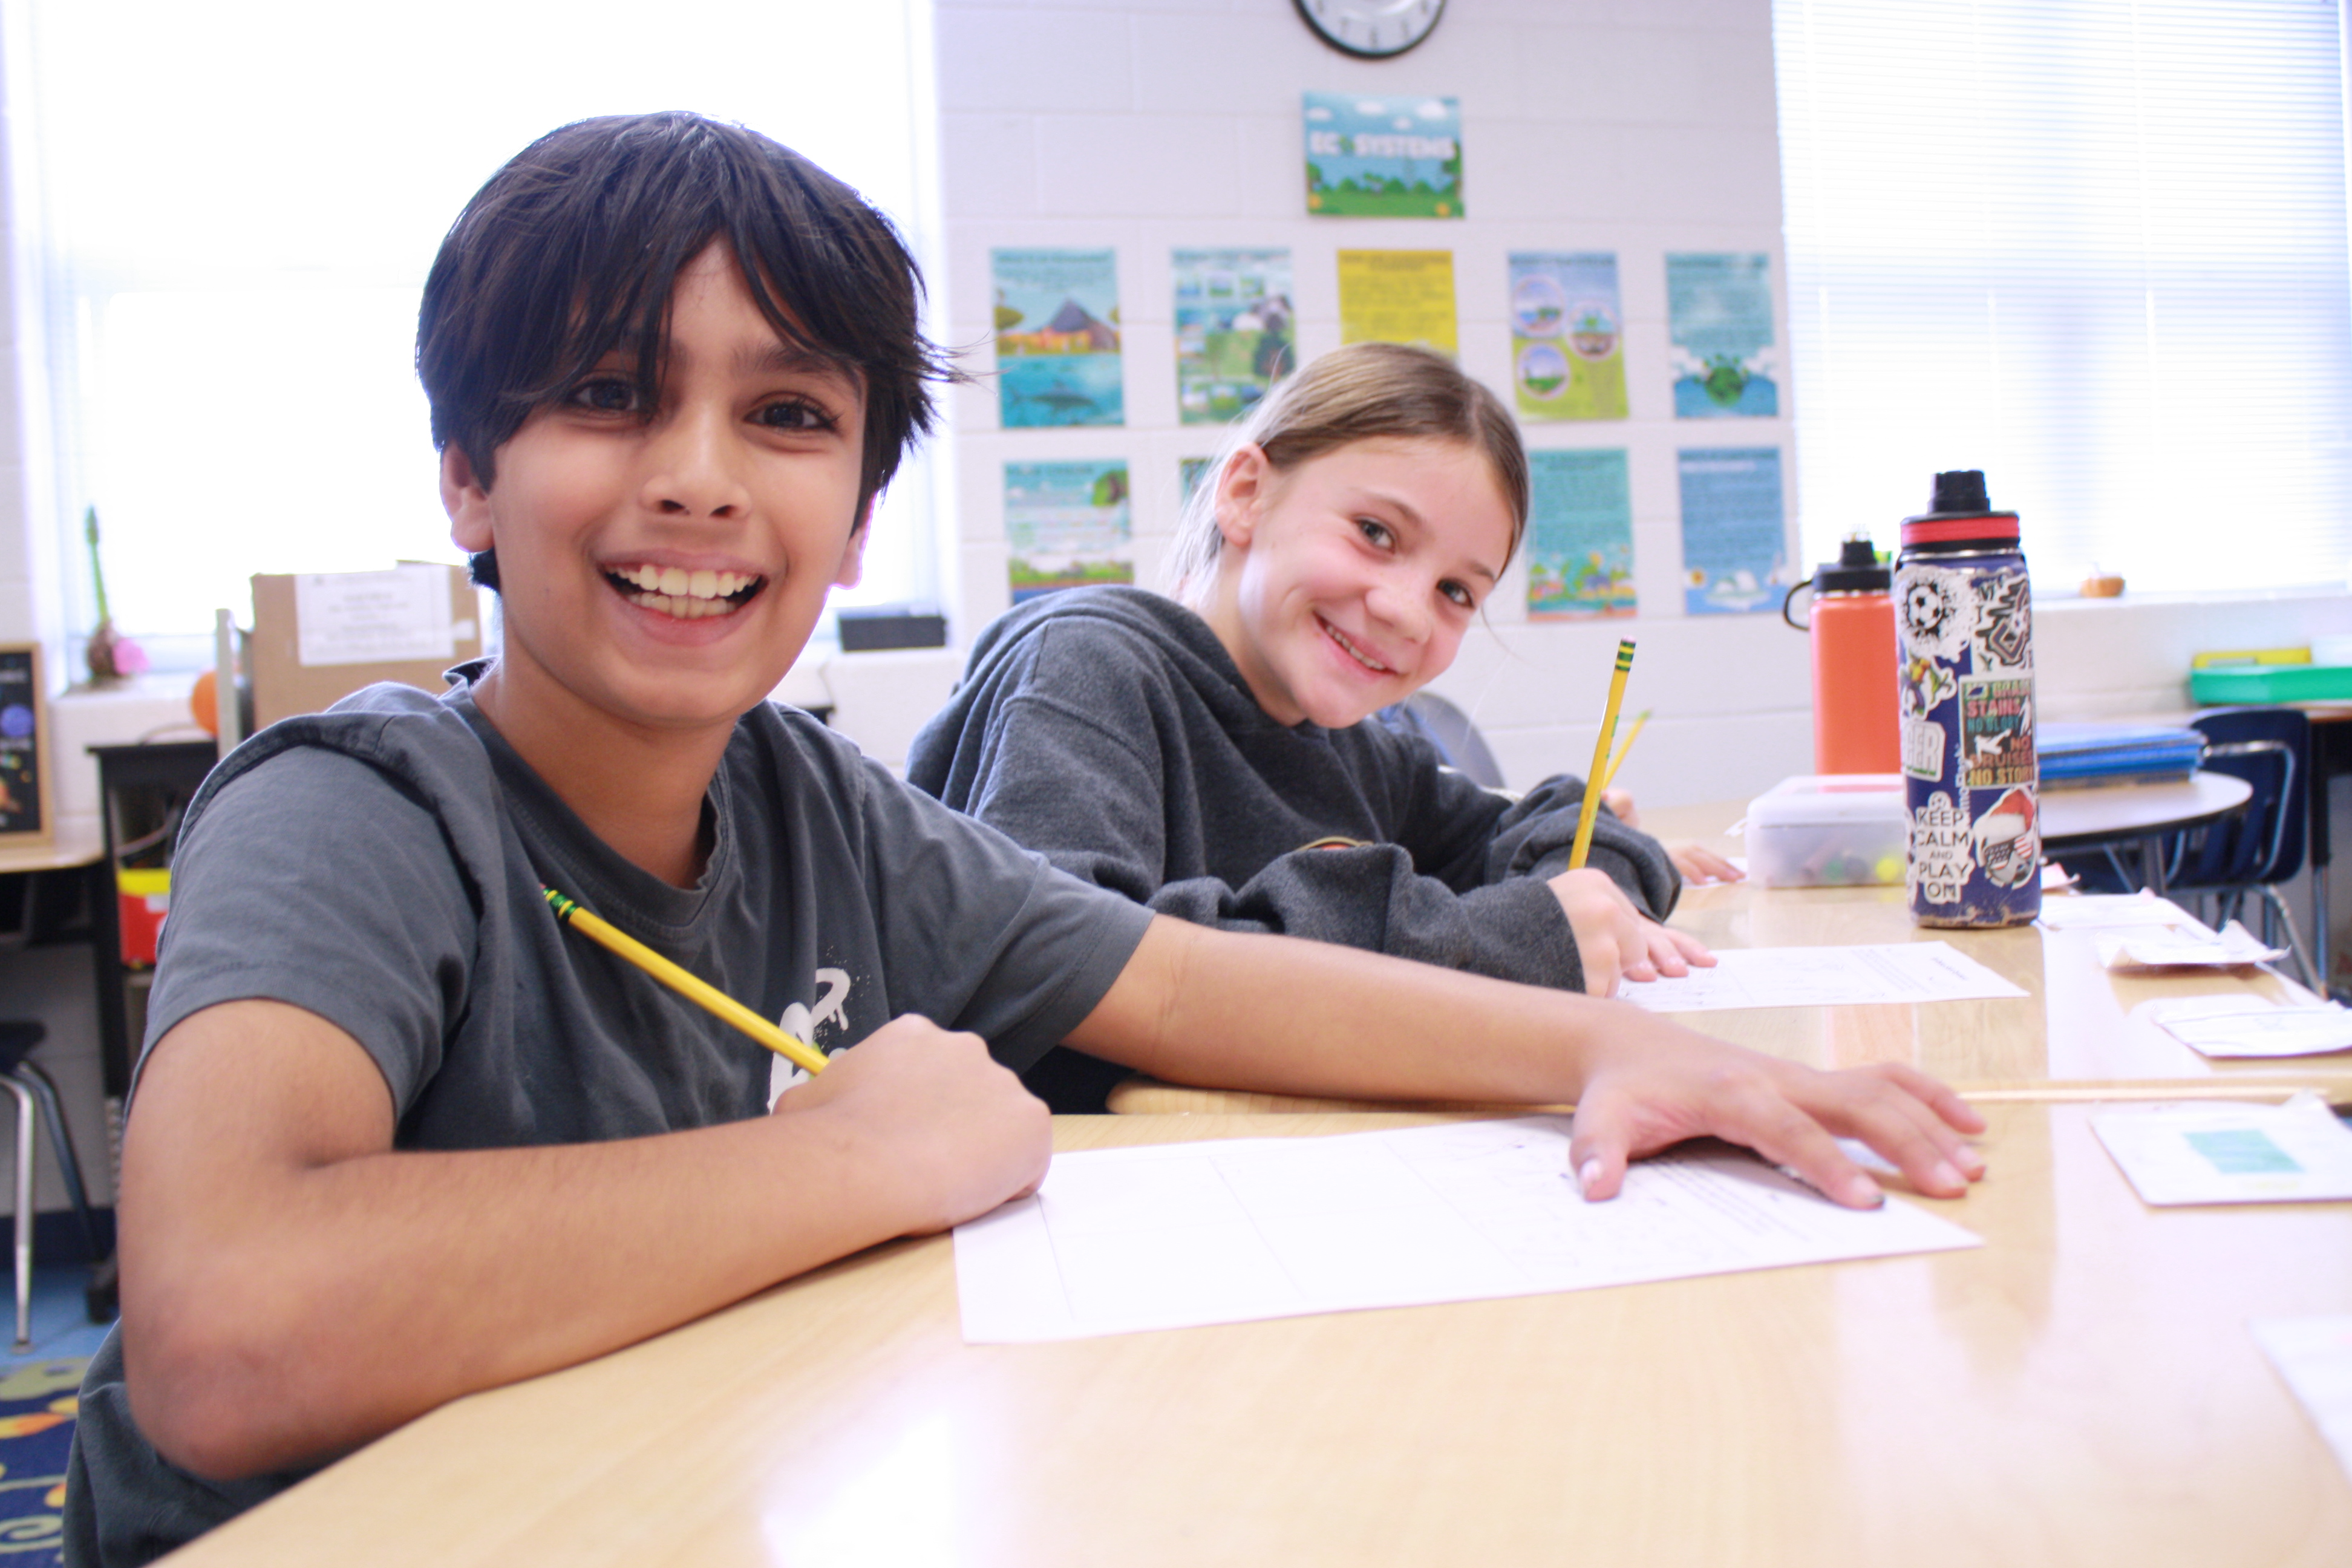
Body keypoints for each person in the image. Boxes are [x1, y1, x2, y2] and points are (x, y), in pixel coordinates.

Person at [64, 113, 1983, 1567]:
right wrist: (859, 1161)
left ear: (863, 508)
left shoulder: (821, 811)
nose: (700, 476)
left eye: (790, 413)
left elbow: (1200, 985)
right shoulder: (357, 808)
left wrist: (1637, 1054)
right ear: (470, 477)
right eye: (604, 396)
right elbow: (230, 1329)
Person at [907, 343, 1736, 1110]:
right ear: (1245, 495)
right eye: (1376, 534)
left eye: (1457, 592)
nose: (1409, 611)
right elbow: (1079, 980)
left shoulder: (1359, 749)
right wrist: (1512, 941)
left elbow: (1555, 832)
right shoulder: (1086, 669)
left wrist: (1599, 894)